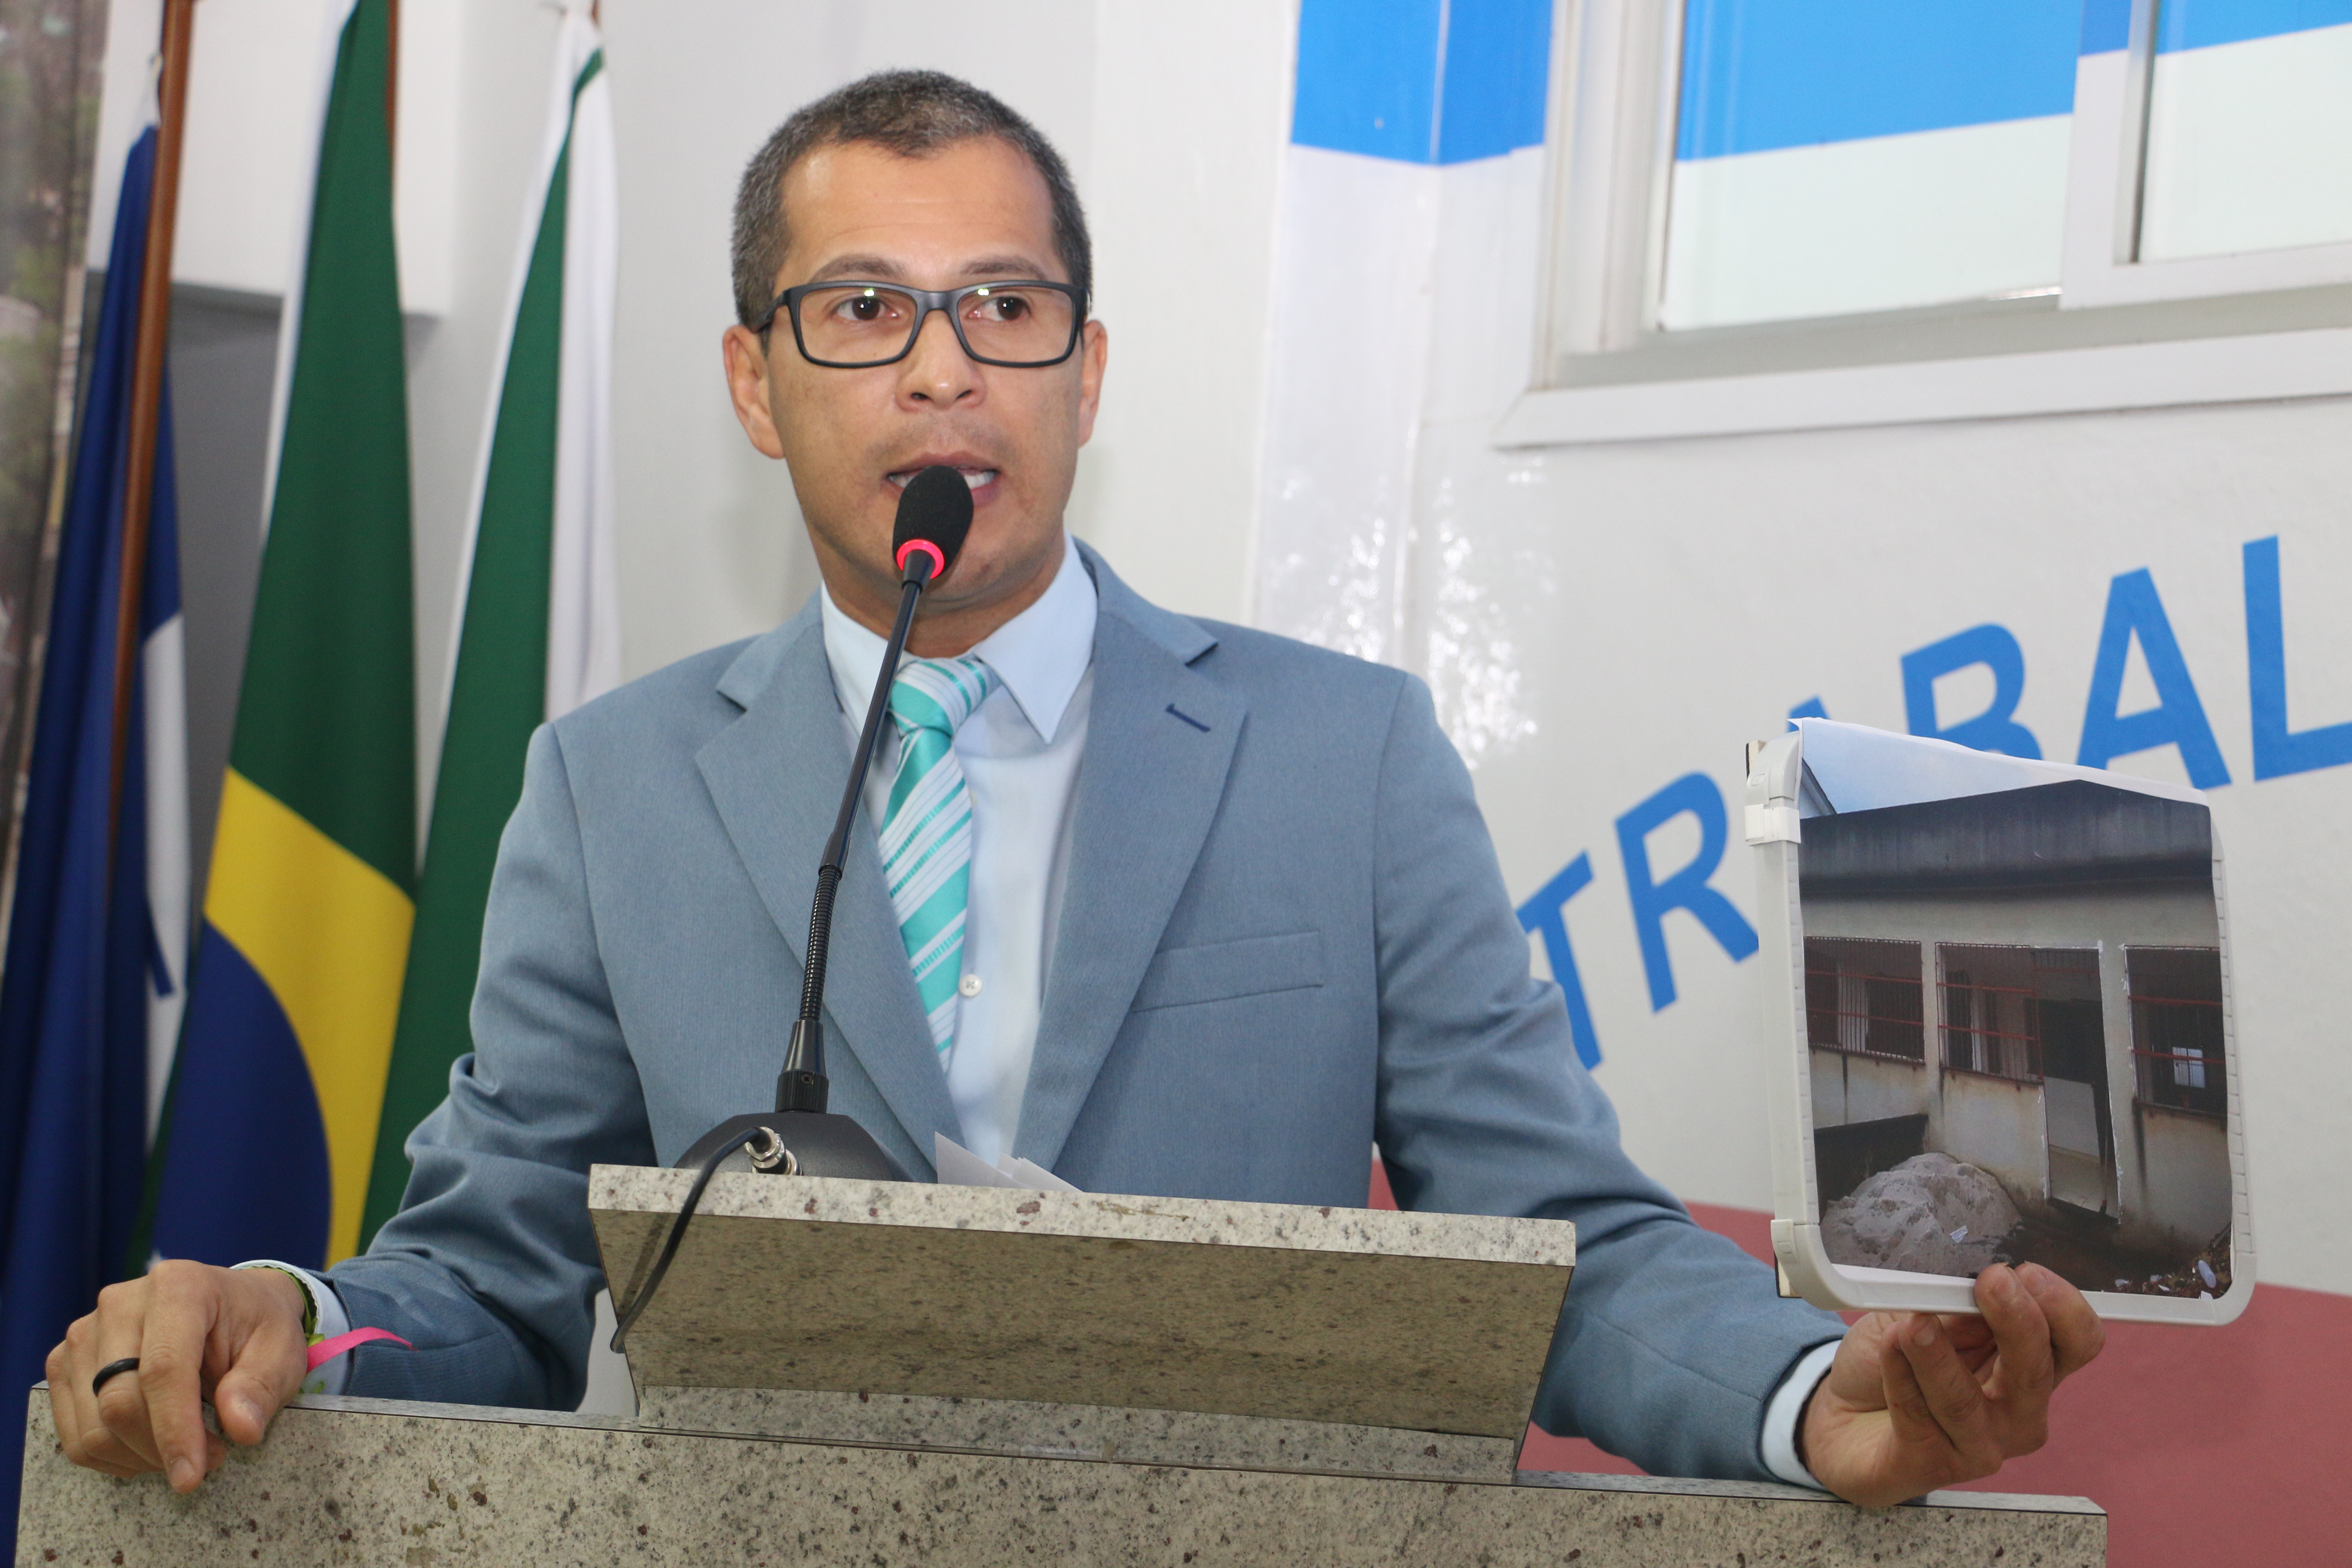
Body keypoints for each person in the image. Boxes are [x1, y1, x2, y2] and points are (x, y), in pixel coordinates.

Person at [47, 70, 2101, 1510]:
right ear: (757, 384)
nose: (945, 368)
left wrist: (1816, 1399)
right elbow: (497, 1272)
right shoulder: (616, 783)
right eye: (865, 310)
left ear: (1085, 374)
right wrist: (283, 1313)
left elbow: (1562, 1245)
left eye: (1006, 309)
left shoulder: (1344, 756)